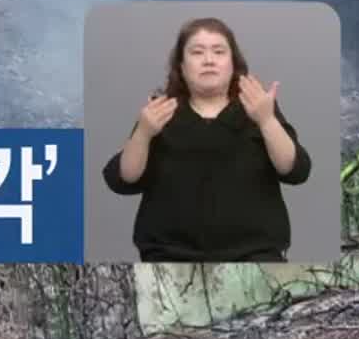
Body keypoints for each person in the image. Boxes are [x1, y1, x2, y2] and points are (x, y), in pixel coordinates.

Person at [102, 16, 311, 262]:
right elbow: (124, 178)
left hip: (255, 256)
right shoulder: (161, 112)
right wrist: (144, 132)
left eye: (219, 51)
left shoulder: (258, 108)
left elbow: (295, 170)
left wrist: (266, 120)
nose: (209, 60)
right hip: (168, 257)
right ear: (181, 65)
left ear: (233, 63)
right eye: (197, 52)